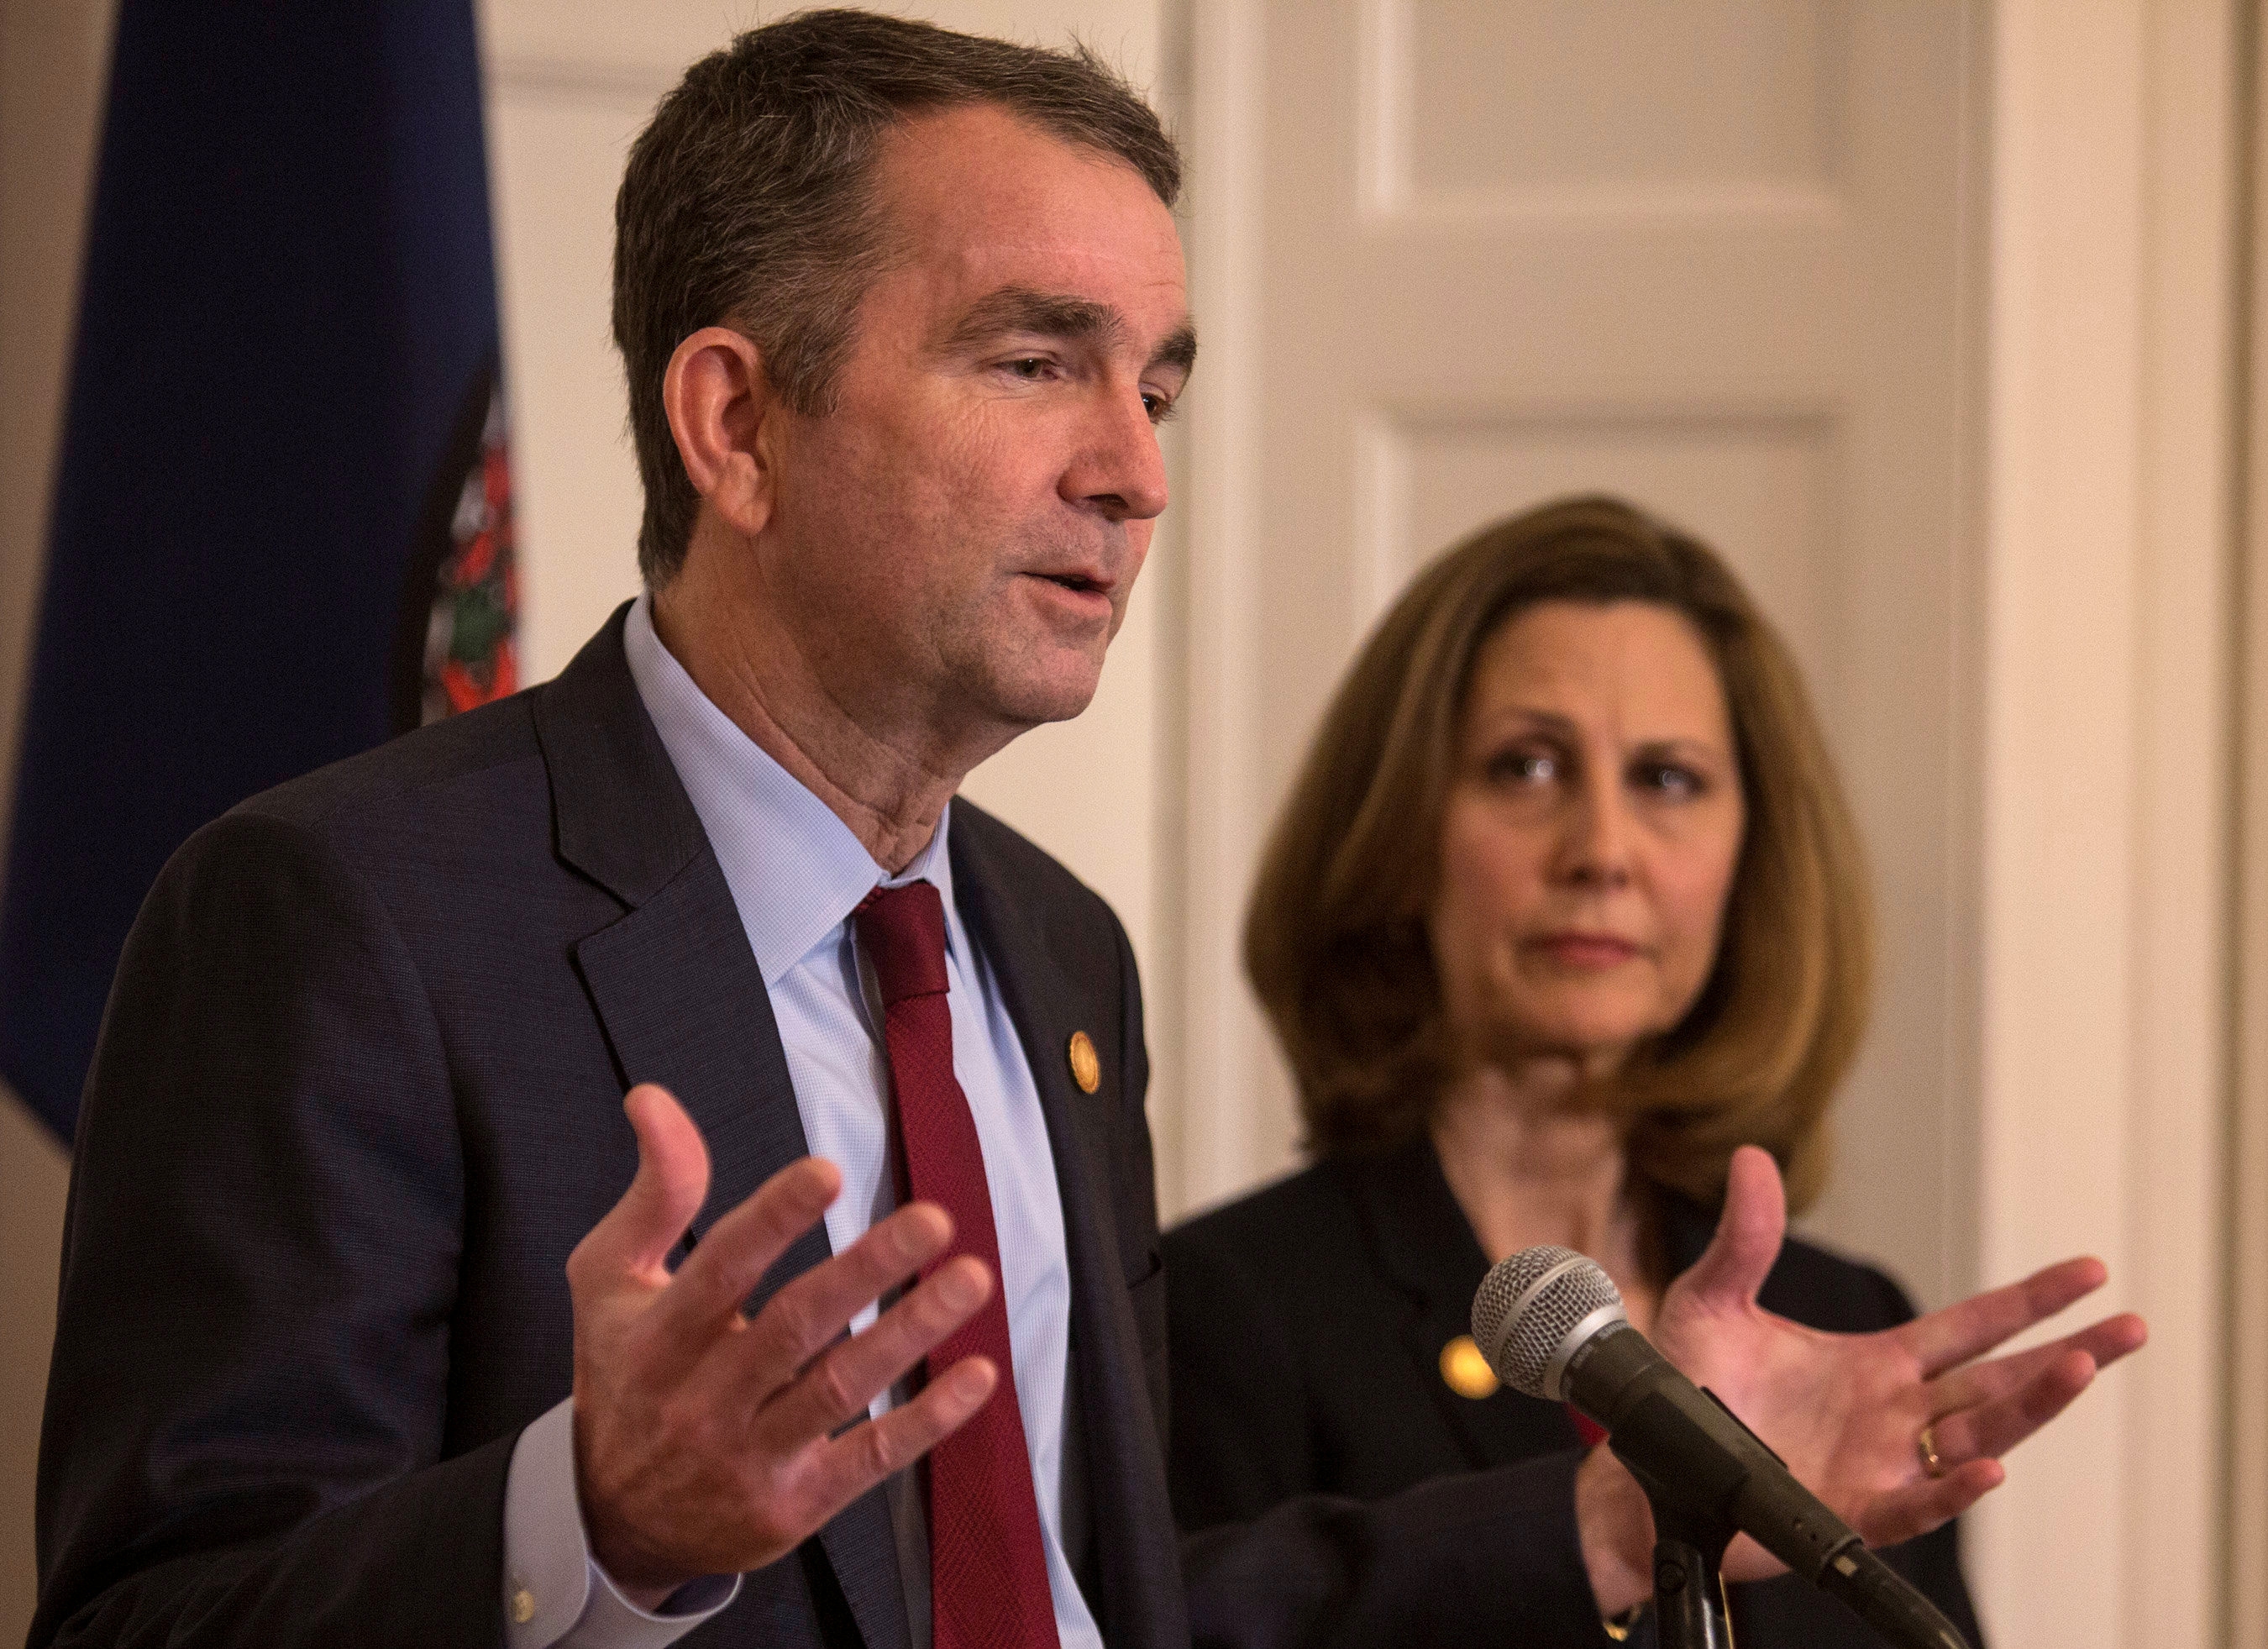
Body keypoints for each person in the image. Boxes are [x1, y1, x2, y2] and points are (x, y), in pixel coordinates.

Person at [31, 16, 2141, 1649]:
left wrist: (1615, 1507)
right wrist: (584, 1522)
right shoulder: (347, 917)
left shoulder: (1055, 955)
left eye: (1162, 386)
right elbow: (149, 1622)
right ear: (736, 423)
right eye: (1038, 361)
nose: (1135, 471)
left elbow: (1094, 1606)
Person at [1163, 496, 2076, 1640]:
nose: (1601, 850)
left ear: (1750, 858)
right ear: (1398, 830)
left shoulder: (1845, 1320)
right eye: (1527, 767)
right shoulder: (1227, 1311)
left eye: (1668, 780)